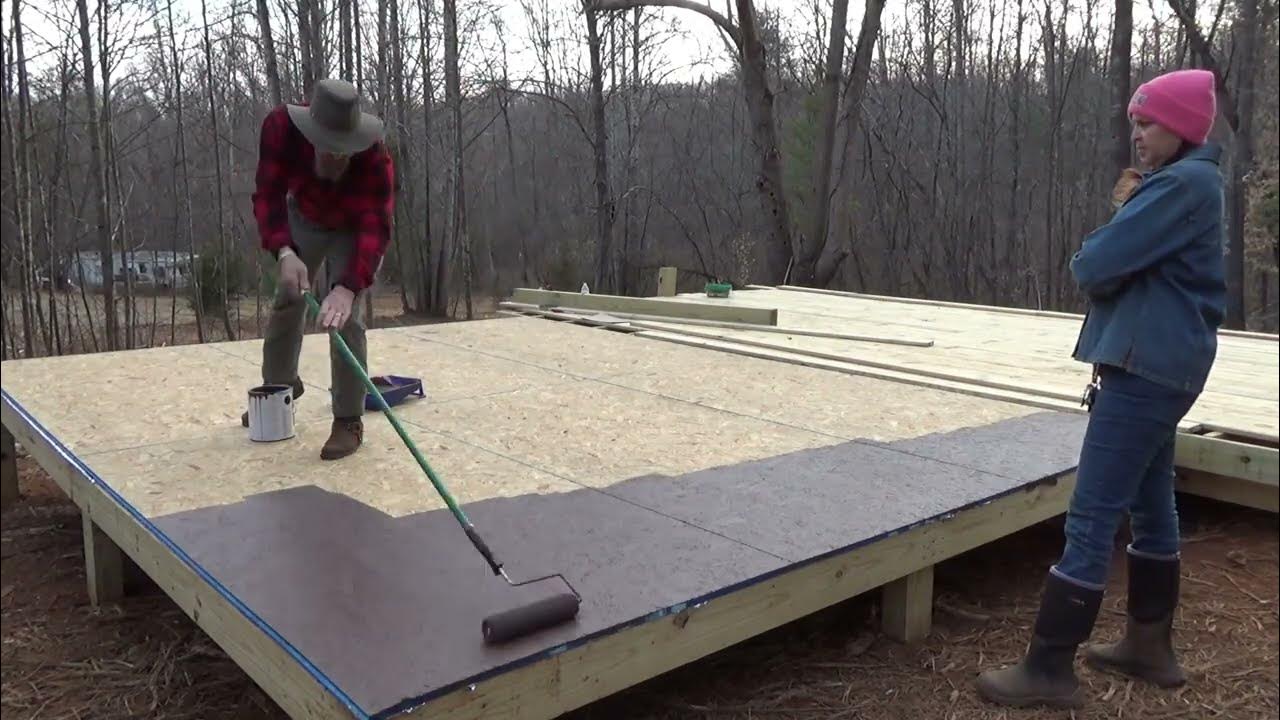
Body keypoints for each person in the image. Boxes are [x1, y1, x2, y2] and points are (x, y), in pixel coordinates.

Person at [975, 68, 1226, 709]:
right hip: (1164, 364)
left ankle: (1049, 667)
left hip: (1145, 369)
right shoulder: (1187, 183)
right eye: (1134, 123)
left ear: (1181, 127)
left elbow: (1094, 265)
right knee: (1151, 503)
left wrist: (1122, 218)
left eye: (1148, 123)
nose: (1136, 134)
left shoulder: (1182, 185)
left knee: (1091, 516)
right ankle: (1148, 646)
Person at [242, 78, 396, 460]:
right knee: (288, 296)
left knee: (345, 318)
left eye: (345, 152)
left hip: (352, 228)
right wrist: (283, 251)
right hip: (304, 216)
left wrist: (348, 287)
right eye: (327, 149)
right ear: (309, 136)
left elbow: (376, 227)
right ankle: (278, 390)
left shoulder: (375, 158)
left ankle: (348, 419)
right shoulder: (281, 129)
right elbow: (268, 194)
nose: (336, 159)